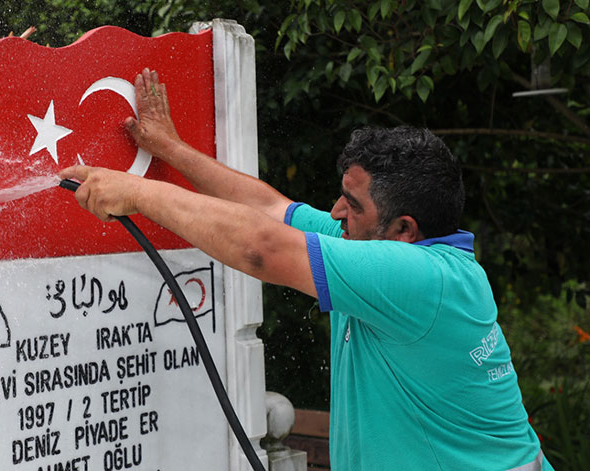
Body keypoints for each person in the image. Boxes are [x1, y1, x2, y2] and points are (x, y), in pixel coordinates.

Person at [59, 69, 553, 471]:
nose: (336, 212)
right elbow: (273, 210)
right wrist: (169, 149)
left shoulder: (422, 280)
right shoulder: (382, 248)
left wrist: (136, 193)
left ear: (405, 229)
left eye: (352, 203)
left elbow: (260, 247)